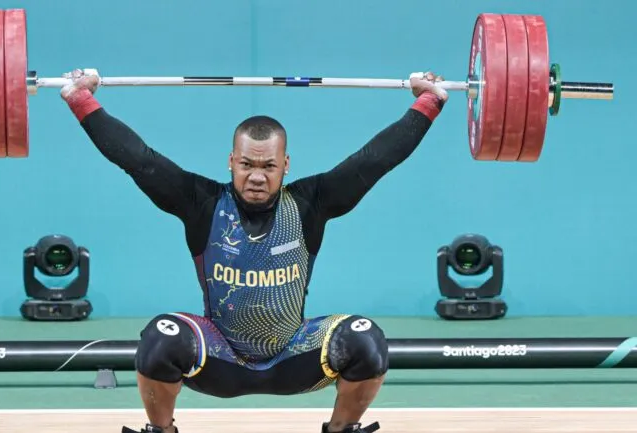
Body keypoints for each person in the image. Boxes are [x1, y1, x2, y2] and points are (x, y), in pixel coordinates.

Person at [60, 68, 448, 433]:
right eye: (246, 164)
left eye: (268, 166)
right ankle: (161, 430)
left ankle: (341, 429)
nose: (257, 176)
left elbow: (376, 160)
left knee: (366, 339)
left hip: (295, 355)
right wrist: (81, 100)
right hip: (218, 357)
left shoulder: (311, 203)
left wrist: (428, 101)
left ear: (285, 165)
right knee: (160, 337)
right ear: (231, 161)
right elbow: (137, 160)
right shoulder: (201, 202)